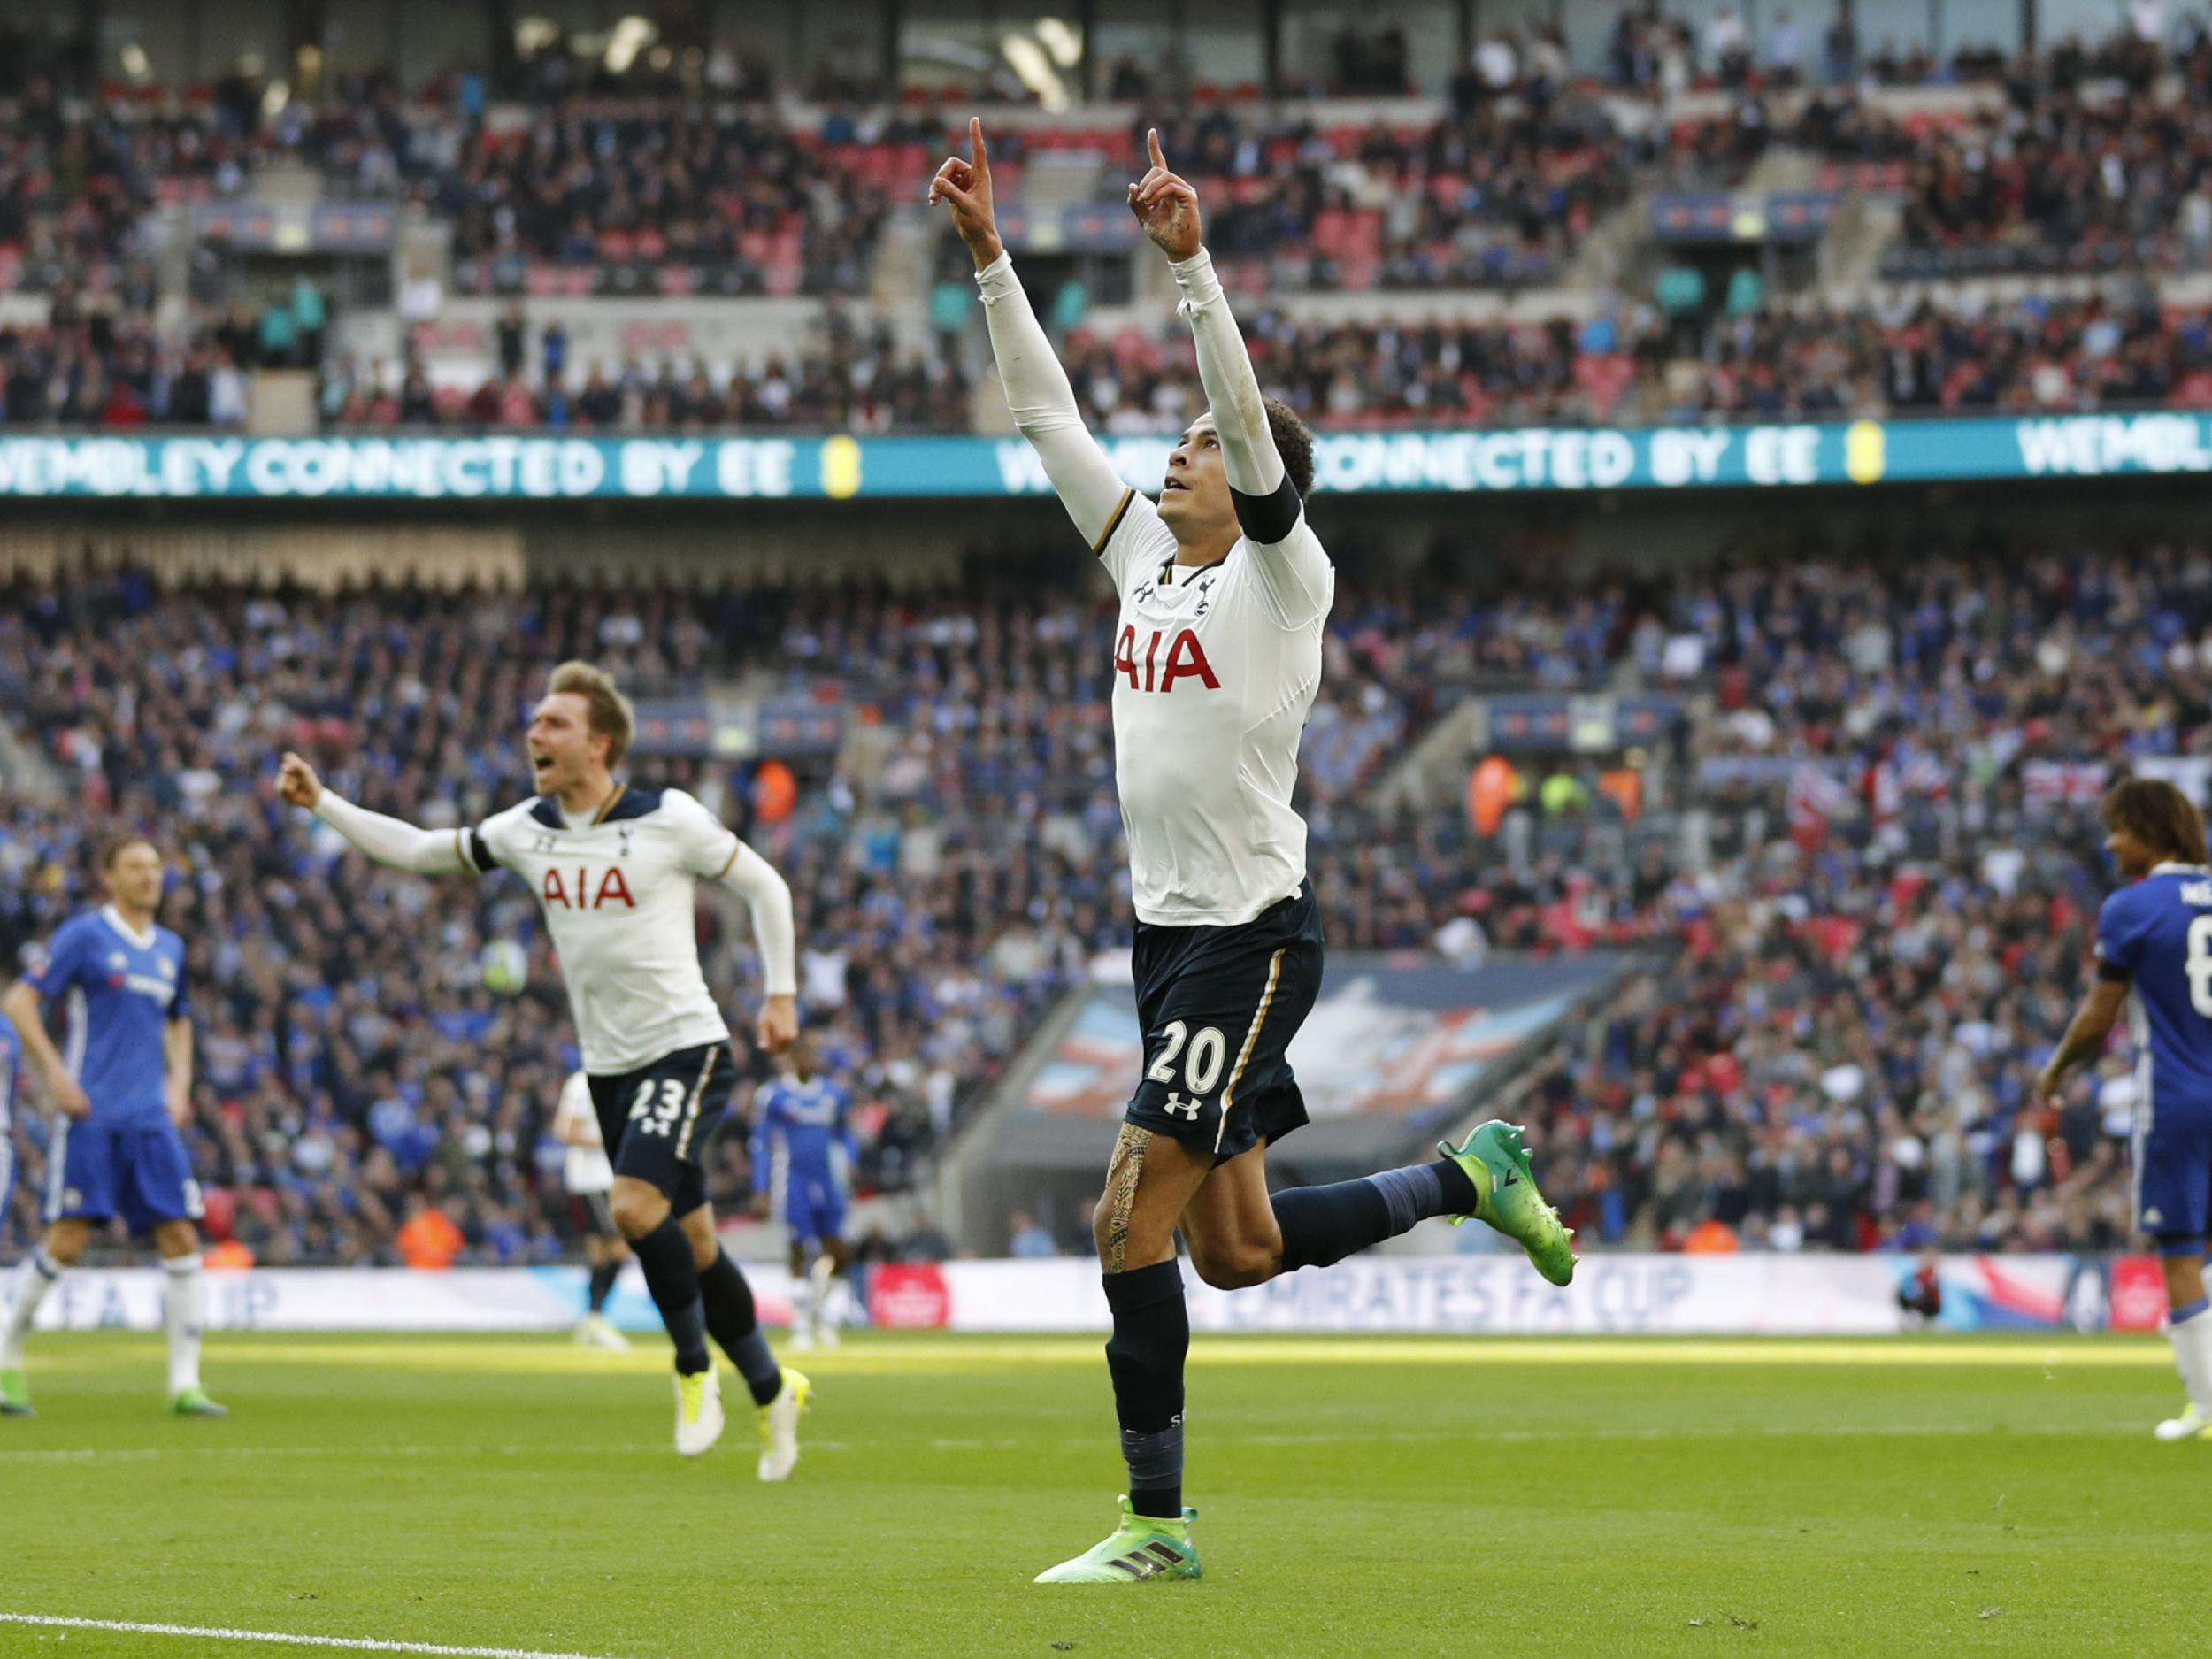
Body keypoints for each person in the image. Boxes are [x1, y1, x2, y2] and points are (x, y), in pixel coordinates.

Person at [931, 119, 1577, 1584]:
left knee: (1123, 1214)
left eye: (1206, 442)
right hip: (1166, 942)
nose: (1181, 444)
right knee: (1236, 1252)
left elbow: (1247, 409)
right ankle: (1468, 1182)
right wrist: (988, 257)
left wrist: (1195, 270)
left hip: (1251, 935)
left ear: (1264, 484)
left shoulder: (1290, 579)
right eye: (1180, 437)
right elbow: (1046, 420)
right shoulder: (1145, 564)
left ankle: (1156, 1527)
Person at [277, 661, 812, 1479]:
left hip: (687, 1046)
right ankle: (774, 1391)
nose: (535, 734)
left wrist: (781, 995)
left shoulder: (668, 818)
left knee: (633, 1207)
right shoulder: (527, 828)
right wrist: (325, 803)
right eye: (533, 723)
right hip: (608, 1068)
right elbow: (424, 851)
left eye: (554, 723)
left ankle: (691, 1368)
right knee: (696, 1243)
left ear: (600, 742)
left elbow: (766, 886)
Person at [0, 839, 225, 1418]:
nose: (149, 877)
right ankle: (7, 1360)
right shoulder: (85, 935)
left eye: (155, 867)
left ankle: (185, 1383)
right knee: (67, 1241)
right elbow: (21, 1002)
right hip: (92, 1116)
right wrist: (55, 1074)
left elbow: (180, 1022)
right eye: (135, 867)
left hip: (150, 1119)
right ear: (109, 876)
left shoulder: (171, 947)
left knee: (181, 1239)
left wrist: (179, 1084)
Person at [2039, 778, 2212, 1440]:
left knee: (2180, 1247)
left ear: (2149, 829)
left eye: (2118, 828)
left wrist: (2055, 1070)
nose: (2110, 842)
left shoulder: (2134, 907)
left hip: (2175, 1097)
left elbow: (2098, 1015)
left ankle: (2205, 1405)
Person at [749, 1031, 856, 1351]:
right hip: (792, 1180)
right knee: (797, 1249)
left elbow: (845, 1133)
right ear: (793, 1057)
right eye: (804, 1053)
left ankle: (826, 1316)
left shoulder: (833, 1094)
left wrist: (850, 1159)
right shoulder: (775, 1096)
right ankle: (801, 1325)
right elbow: (761, 1144)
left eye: (815, 1053)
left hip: (829, 1181)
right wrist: (760, 1187)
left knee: (839, 1251)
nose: (811, 1059)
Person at [553, 1067, 630, 1350]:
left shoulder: (620, 1079)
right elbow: (564, 1128)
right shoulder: (583, 1083)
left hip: (609, 1176)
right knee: (620, 1247)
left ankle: (591, 1320)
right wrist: (608, 1142)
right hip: (592, 1177)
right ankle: (594, 1317)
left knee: (600, 1253)